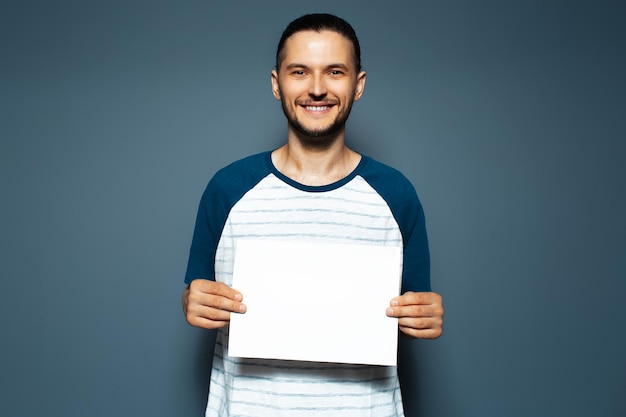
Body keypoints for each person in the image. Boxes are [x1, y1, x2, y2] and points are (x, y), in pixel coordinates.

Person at [182, 13, 444, 417]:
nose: (317, 89)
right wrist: (193, 302)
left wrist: (421, 317)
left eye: (334, 72)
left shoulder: (395, 195)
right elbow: (195, 293)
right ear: (276, 83)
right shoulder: (229, 189)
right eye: (299, 71)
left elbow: (406, 314)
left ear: (358, 85)